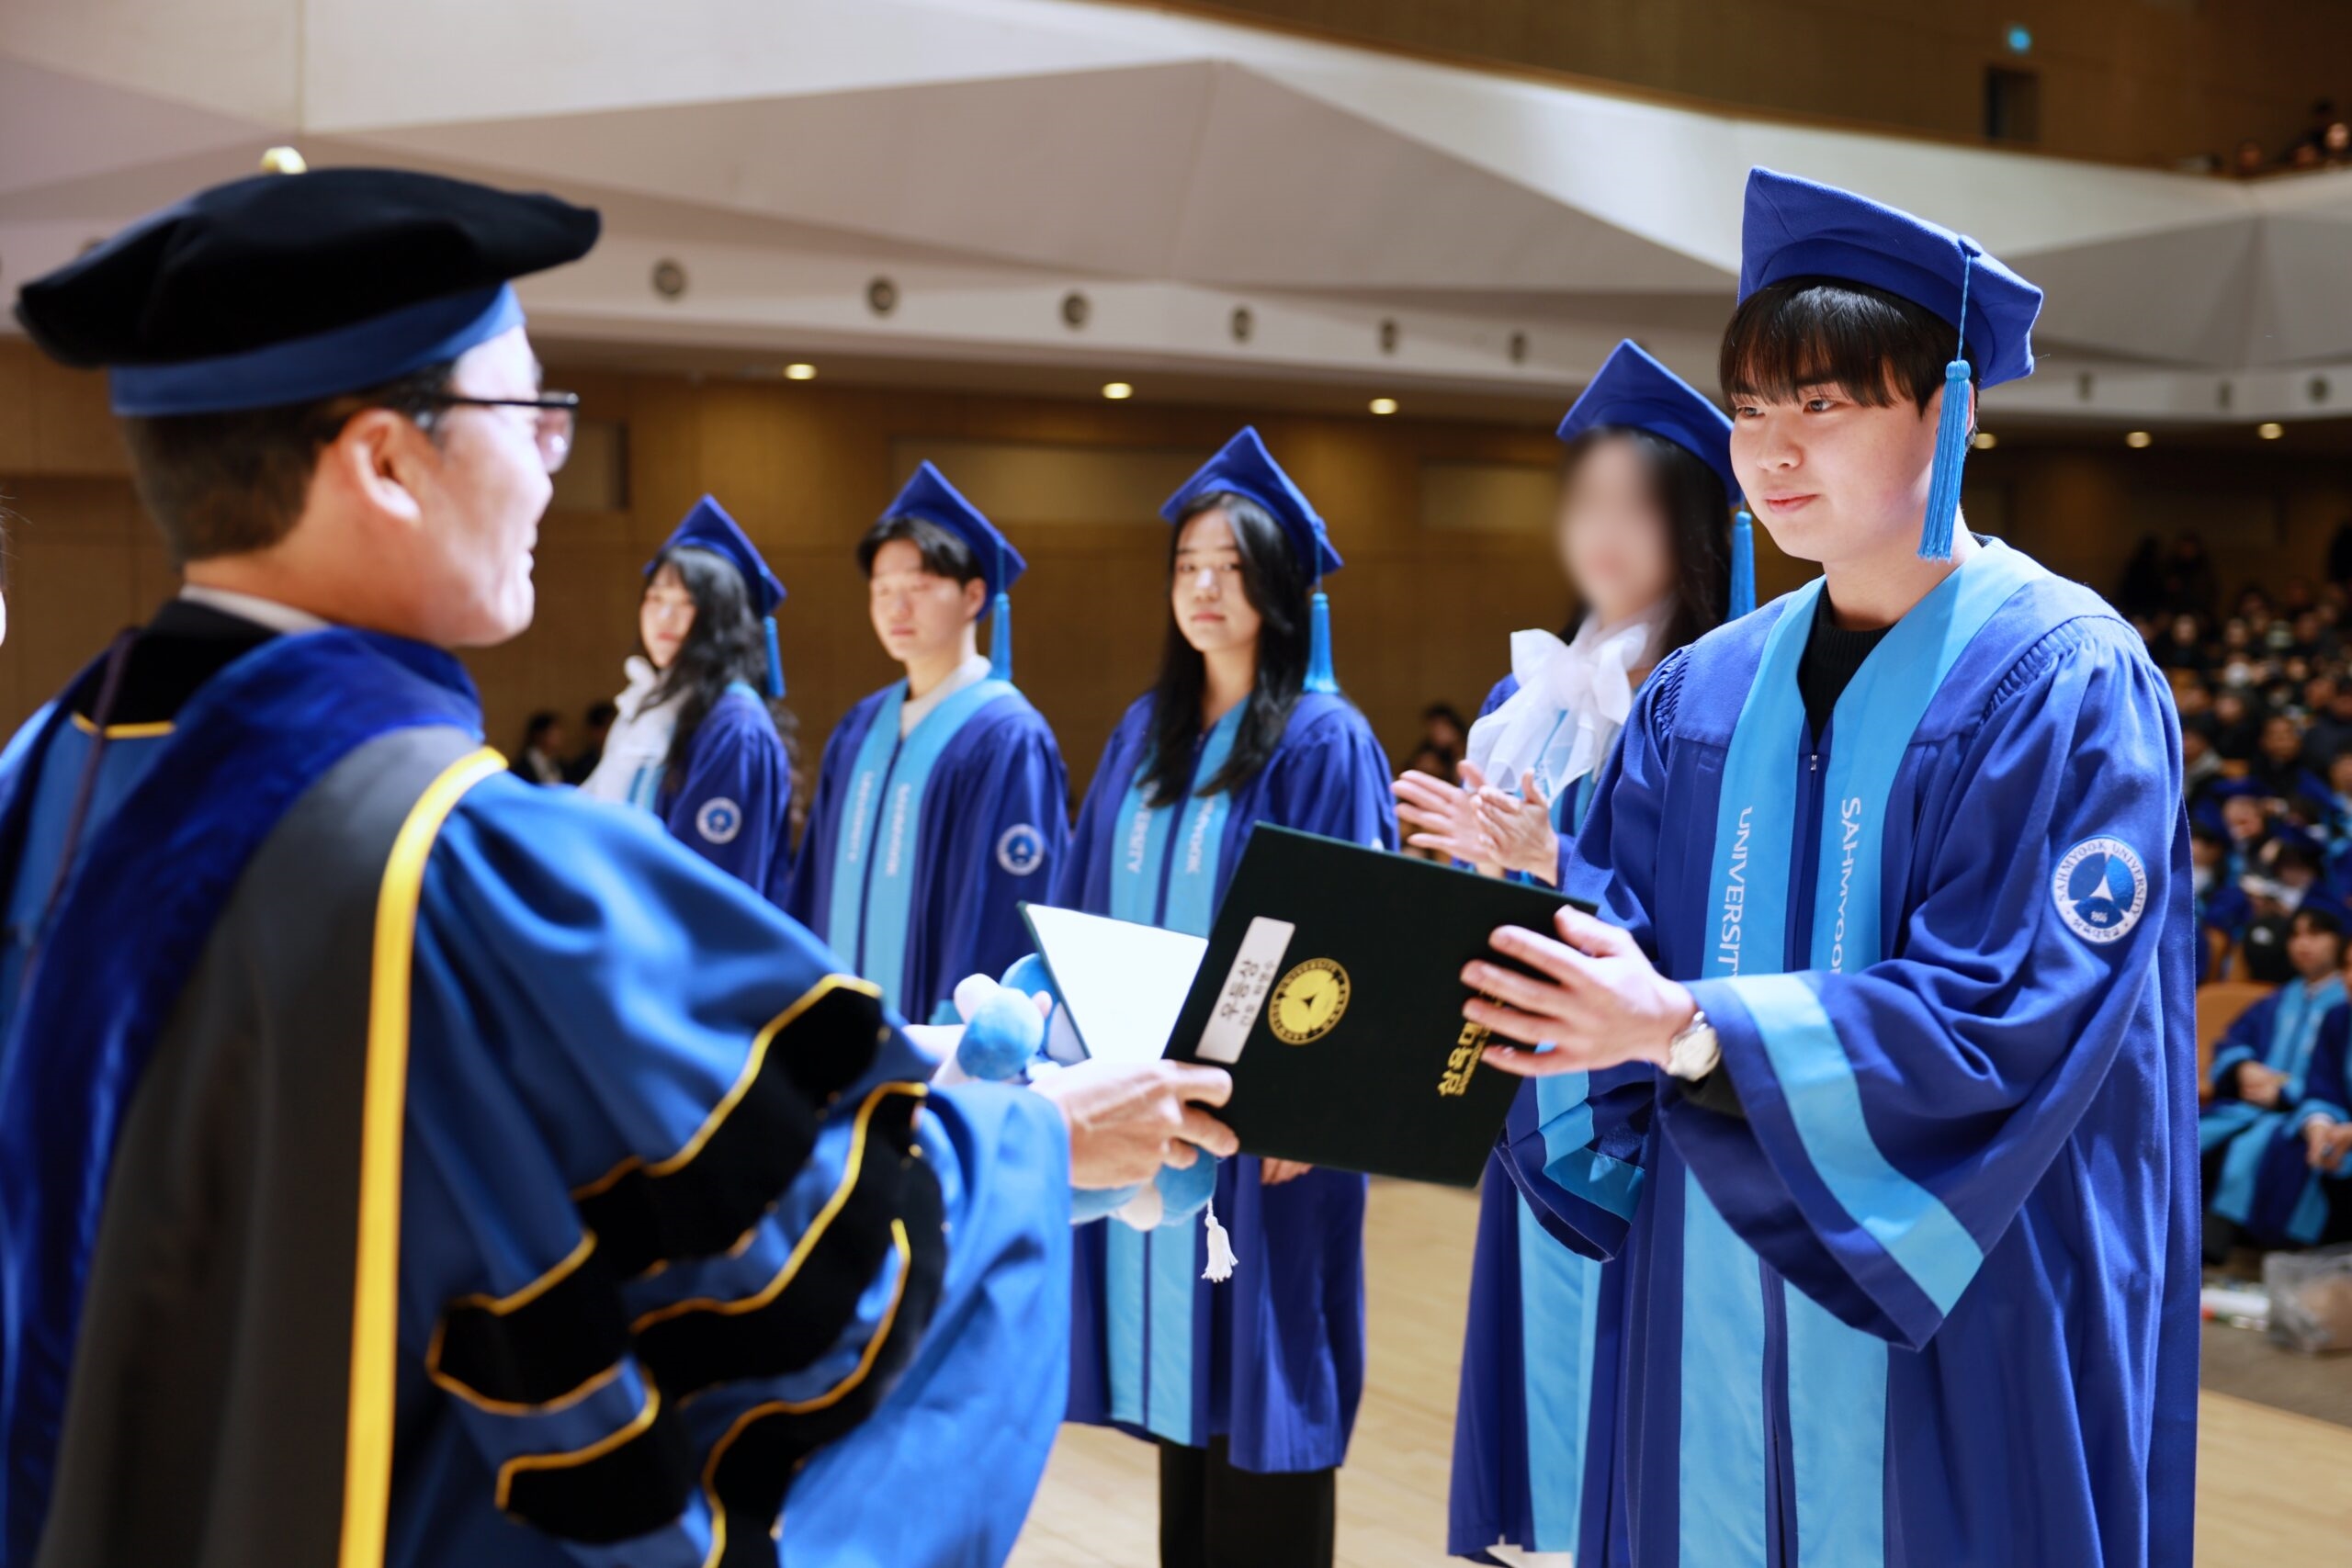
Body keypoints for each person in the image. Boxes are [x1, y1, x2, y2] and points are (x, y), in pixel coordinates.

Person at [0, 162, 1238, 1568]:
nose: (551, 459)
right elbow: (804, 1284)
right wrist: (1034, 1139)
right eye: (527, 410)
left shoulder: (47, 781)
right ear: (386, 462)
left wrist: (885, 1072)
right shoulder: (451, 864)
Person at [1457, 168, 2194, 1566]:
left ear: (1949, 413)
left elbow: (2007, 1013)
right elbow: (1610, 933)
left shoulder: (2063, 678)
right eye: (1748, 409)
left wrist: (1691, 1029)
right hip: (1701, 1302)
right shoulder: (1704, 691)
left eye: (1823, 405)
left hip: (1962, 1313)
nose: (1772, 451)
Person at [1389, 340, 1738, 1567]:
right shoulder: (1522, 699)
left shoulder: (1719, 703)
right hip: (1530, 1100)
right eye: (1585, 501)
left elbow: (1708, 924)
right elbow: (1497, 898)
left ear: (1691, 524)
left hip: (1651, 1108)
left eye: (1632, 504)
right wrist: (1466, 876)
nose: (1599, 530)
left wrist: (1554, 863)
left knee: (1646, 1449)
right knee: (1543, 1449)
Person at [1057, 427, 1396, 1568]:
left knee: (1263, 1390)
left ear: (1284, 589)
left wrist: (1306, 1106)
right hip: (1152, 1113)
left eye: (1232, 567)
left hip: (1267, 1134)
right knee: (1183, 1404)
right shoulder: (1145, 735)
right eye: (1188, 566)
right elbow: (1083, 900)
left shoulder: (1322, 739)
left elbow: (1354, 939)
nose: (1204, 588)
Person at [786, 462, 1069, 1024]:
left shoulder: (1005, 735)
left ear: (974, 595)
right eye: (883, 589)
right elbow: (812, 881)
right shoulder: (861, 727)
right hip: (834, 1032)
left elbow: (1005, 906)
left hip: (943, 1042)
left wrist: (963, 1033)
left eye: (918, 588)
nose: (897, 608)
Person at [578, 496, 797, 897]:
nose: (664, 617)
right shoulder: (646, 704)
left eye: (687, 603)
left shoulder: (734, 727)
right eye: (655, 598)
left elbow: (703, 886)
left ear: (722, 618)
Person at [2201, 904, 2352, 1257]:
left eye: (2316, 934)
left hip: (2304, 1113)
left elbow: (2324, 1082)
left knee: (2262, 1146)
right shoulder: (2279, 1000)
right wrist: (2243, 1069)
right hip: (2285, 1109)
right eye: (2295, 935)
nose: (2303, 944)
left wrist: (2287, 1094)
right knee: (2194, 1133)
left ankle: (2264, 1249)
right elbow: (2233, 1042)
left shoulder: (2338, 1008)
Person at [561, 698, 616, 784]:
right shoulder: (581, 767)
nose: (614, 733)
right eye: (608, 728)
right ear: (595, 731)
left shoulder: (627, 761)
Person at [508, 708, 566, 784]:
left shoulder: (560, 764)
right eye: (554, 733)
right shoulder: (523, 766)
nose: (560, 736)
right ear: (540, 735)